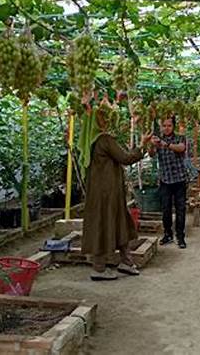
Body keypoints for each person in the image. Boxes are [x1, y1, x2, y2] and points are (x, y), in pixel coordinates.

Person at [81, 104, 151, 281]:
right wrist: (142, 145)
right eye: (103, 119)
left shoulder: (91, 140)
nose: (107, 121)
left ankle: (126, 261)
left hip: (106, 192)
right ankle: (98, 268)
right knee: (105, 223)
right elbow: (125, 158)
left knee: (119, 222)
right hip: (107, 193)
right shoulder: (104, 140)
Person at [150, 117, 188, 249]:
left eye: (169, 125)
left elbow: (181, 148)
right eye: (164, 125)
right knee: (166, 209)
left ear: (173, 126)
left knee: (180, 209)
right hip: (165, 180)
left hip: (179, 179)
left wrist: (165, 144)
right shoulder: (158, 140)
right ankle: (168, 234)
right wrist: (152, 144)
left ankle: (180, 236)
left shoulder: (180, 138)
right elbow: (151, 154)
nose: (166, 128)